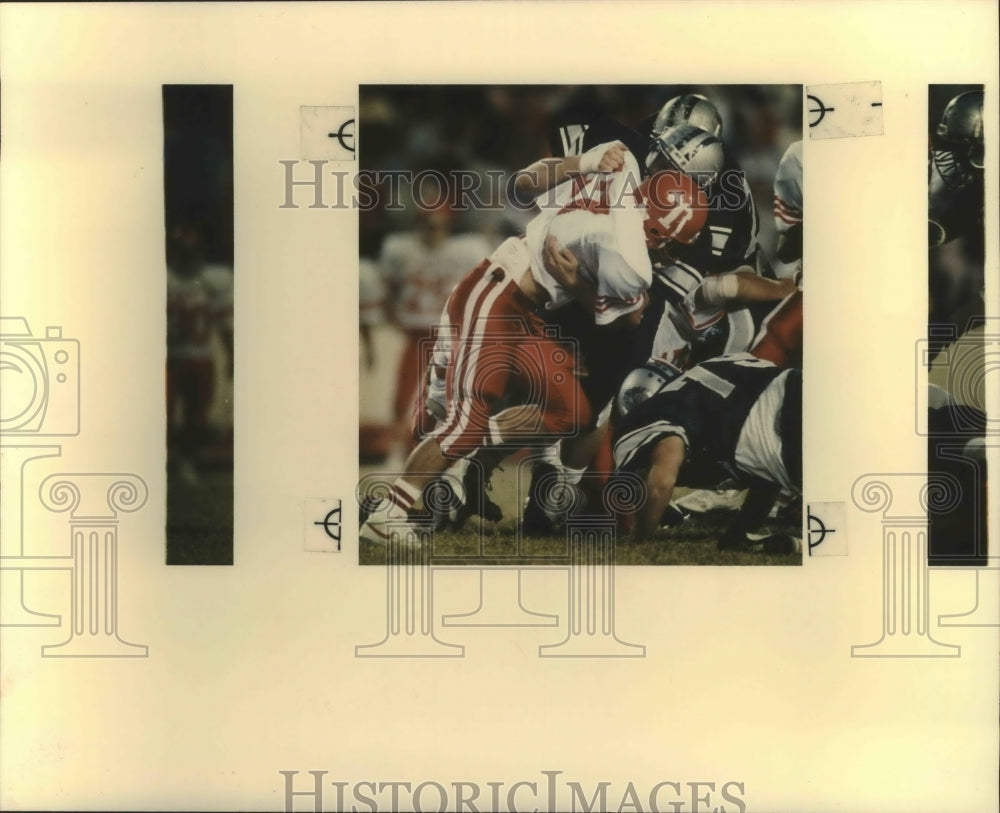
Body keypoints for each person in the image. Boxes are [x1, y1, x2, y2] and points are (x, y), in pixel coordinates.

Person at [360, 141, 707, 543]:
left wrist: (584, 163)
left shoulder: (613, 179)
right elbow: (624, 319)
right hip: (496, 294)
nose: (666, 253)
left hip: (523, 309)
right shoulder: (629, 256)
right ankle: (389, 512)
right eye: (670, 242)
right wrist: (581, 283)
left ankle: (469, 449)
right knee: (463, 418)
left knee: (572, 411)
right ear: (659, 228)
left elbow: (525, 182)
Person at [612, 352, 801, 544]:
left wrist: (637, 542)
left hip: (790, 435)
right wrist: (741, 531)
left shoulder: (655, 412)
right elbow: (765, 473)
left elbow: (661, 481)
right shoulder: (710, 369)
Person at [379, 205, 492, 461]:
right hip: (415, 331)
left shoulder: (468, 249)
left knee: (441, 397)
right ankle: (403, 451)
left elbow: (486, 283)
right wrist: (392, 314)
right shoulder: (401, 248)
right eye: (427, 225)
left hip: (448, 335)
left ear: (449, 227)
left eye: (439, 226)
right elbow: (387, 287)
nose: (433, 232)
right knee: (404, 397)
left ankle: (431, 452)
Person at [166, 223, 233, 484]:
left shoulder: (213, 280)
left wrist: (231, 354)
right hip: (169, 358)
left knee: (198, 417)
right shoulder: (164, 279)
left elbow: (224, 321)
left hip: (202, 358)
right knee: (164, 417)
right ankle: (170, 463)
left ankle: (186, 463)